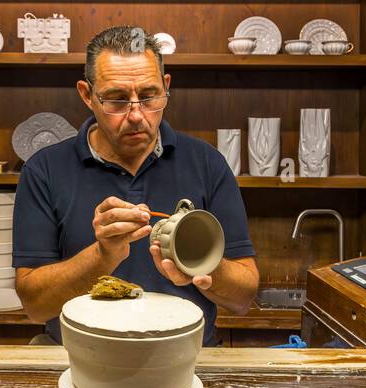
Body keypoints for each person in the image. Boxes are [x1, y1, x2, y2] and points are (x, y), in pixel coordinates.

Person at [14, 26, 260, 344]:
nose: (136, 115)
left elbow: (244, 298)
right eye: (116, 100)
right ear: (87, 95)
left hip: (186, 359)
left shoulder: (207, 163)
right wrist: (103, 255)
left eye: (148, 97)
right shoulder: (44, 170)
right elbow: (34, 306)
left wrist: (201, 267)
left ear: (166, 87)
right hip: (84, 362)